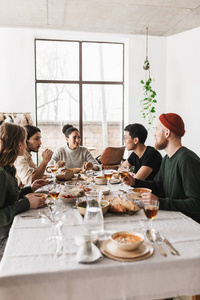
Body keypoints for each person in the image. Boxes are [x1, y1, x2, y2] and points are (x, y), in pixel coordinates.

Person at [123, 113, 200, 223]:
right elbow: (159, 186)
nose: (154, 134)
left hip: (189, 224)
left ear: (167, 133)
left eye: (157, 129)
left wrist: (159, 201)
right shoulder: (166, 159)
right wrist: (135, 182)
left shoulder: (187, 160)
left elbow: (196, 204)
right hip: (173, 217)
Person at [0, 123, 48, 260]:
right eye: (24, 140)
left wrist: (29, 189)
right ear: (19, 144)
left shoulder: (8, 168)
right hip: (4, 237)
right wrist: (26, 203)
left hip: (12, 225)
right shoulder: (2, 174)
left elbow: (9, 199)